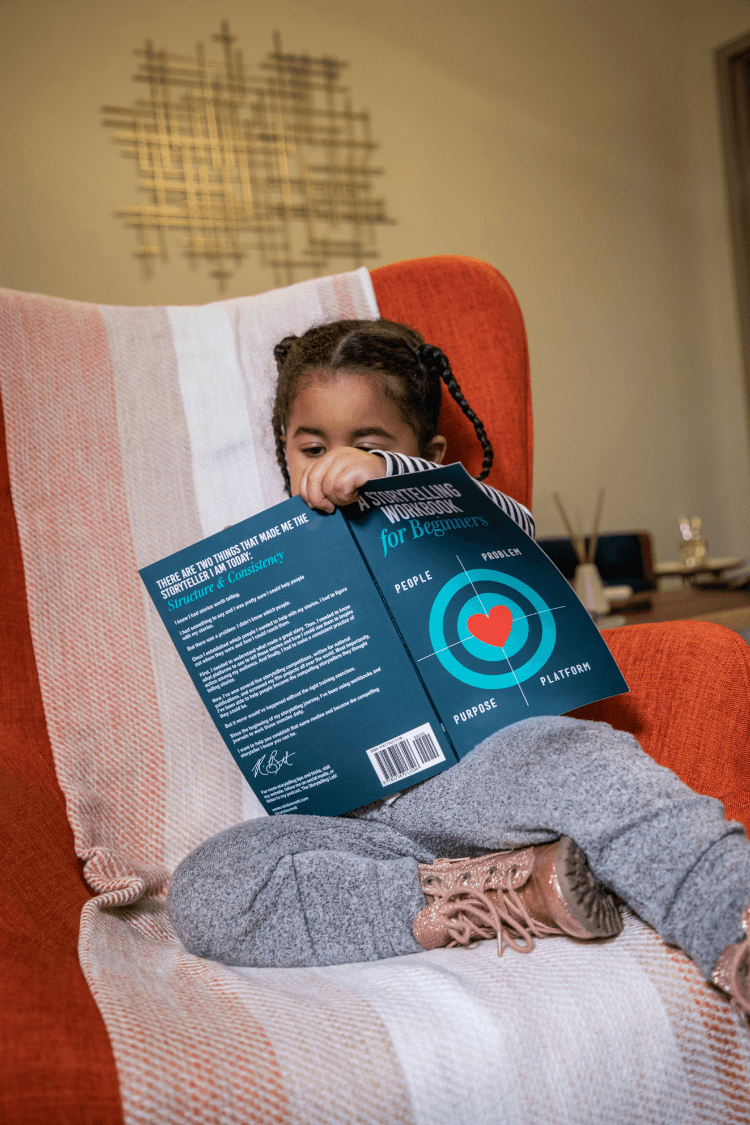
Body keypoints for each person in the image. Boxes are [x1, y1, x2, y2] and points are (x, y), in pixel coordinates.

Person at [168, 318, 750, 1016]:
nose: (334, 460)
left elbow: (515, 526)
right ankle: (508, 890)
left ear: (427, 452)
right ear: (284, 453)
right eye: (313, 446)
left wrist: (393, 480)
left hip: (476, 786)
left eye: (368, 441)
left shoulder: (449, 501)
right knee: (206, 885)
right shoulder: (273, 559)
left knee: (583, 756)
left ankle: (733, 920)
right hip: (364, 837)